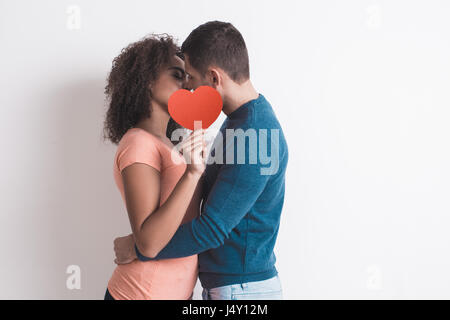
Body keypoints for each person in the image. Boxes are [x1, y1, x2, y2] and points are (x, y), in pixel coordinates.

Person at [114, 21, 289, 300]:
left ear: (214, 78)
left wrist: (137, 248)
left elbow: (212, 228)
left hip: (241, 290)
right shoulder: (239, 123)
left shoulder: (255, 133)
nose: (189, 89)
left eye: (191, 78)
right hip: (230, 286)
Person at [103, 34, 207, 300]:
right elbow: (148, 243)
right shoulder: (138, 143)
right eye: (176, 74)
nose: (187, 83)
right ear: (147, 81)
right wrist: (193, 173)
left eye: (187, 76)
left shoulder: (168, 143)